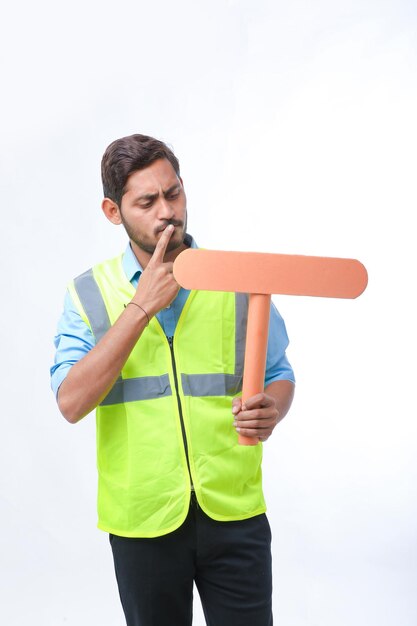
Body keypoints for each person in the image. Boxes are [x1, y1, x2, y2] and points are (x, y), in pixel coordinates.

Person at [51, 133, 295, 626]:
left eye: (174, 193)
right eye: (147, 201)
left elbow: (279, 373)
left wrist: (273, 405)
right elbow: (71, 402)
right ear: (113, 211)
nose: (168, 211)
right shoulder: (87, 294)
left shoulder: (237, 279)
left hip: (235, 510)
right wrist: (141, 308)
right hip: (143, 520)